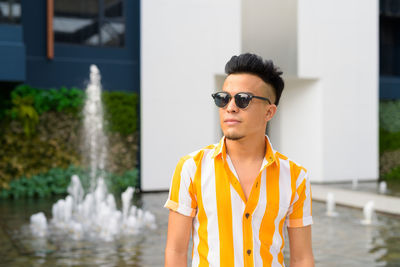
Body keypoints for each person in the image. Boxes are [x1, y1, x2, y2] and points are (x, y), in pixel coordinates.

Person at [164, 53, 314, 267]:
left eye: (243, 99)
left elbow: (302, 258)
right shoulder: (191, 167)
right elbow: (176, 251)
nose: (230, 107)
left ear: (269, 111)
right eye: (223, 98)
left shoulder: (295, 177)